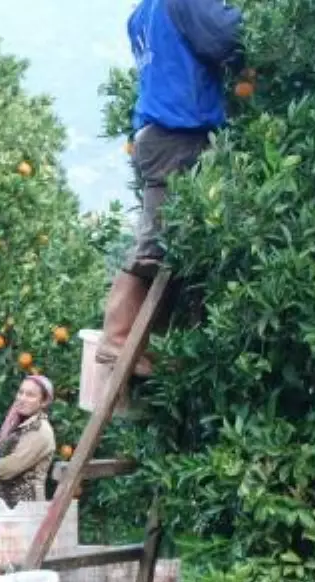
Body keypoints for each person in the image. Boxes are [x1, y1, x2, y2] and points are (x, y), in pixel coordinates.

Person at [98, 0, 244, 376]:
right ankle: (117, 339)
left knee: (173, 250)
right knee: (155, 246)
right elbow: (227, 36)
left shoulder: (143, 12)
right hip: (177, 135)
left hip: (159, 133)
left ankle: (146, 347)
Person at [0, 375, 57, 507]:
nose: (22, 399)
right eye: (21, 392)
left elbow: (10, 468)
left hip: (27, 507)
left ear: (43, 402)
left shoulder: (40, 430)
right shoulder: (16, 424)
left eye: (30, 395)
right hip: (8, 505)